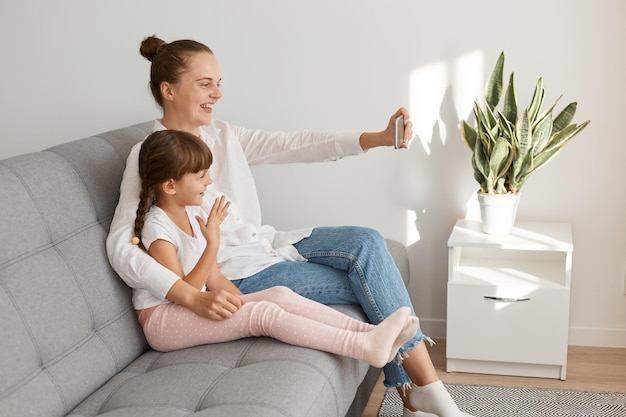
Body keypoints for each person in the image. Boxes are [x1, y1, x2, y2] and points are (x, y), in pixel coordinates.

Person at [106, 35, 473, 417]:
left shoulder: (223, 135)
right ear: (168, 90)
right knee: (369, 282)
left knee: (367, 242)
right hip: (235, 275)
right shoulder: (149, 154)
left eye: (218, 83)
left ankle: (419, 397)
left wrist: (376, 139)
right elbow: (121, 246)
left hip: (268, 246)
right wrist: (187, 294)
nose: (216, 93)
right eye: (205, 84)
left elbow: (296, 144)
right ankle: (426, 393)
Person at [132, 129, 420, 368]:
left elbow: (215, 280)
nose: (209, 182)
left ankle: (372, 334)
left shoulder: (192, 214)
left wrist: (249, 299)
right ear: (170, 186)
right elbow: (182, 294)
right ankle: (364, 346)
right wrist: (213, 245)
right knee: (264, 316)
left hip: (191, 305)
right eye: (200, 176)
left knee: (278, 295)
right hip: (164, 321)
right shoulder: (158, 229)